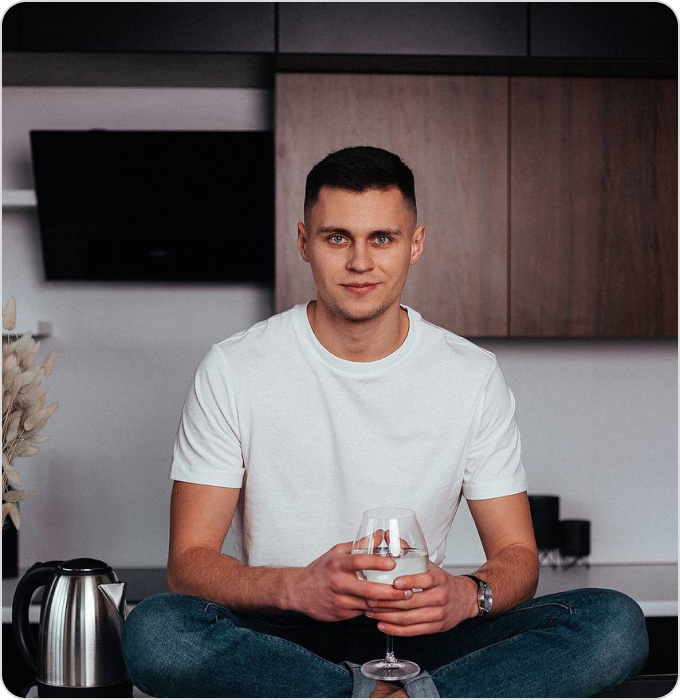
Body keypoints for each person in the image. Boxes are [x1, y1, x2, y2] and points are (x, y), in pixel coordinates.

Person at [122, 146, 648, 698]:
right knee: (158, 632)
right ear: (304, 242)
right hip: (279, 638)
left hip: (422, 634)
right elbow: (189, 564)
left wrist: (465, 596)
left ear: (414, 244)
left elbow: (517, 557)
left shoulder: (471, 374)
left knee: (613, 624)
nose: (360, 262)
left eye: (382, 238)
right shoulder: (234, 368)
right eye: (337, 238)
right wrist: (295, 588)